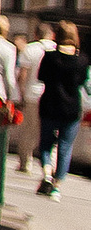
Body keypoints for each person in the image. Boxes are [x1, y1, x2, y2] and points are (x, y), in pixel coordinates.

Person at [37, 16, 84, 199]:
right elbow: (81, 82)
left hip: (49, 105)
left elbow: (41, 76)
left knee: (46, 143)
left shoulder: (49, 57)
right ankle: (57, 186)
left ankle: (47, 173)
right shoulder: (82, 61)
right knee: (65, 146)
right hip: (71, 109)